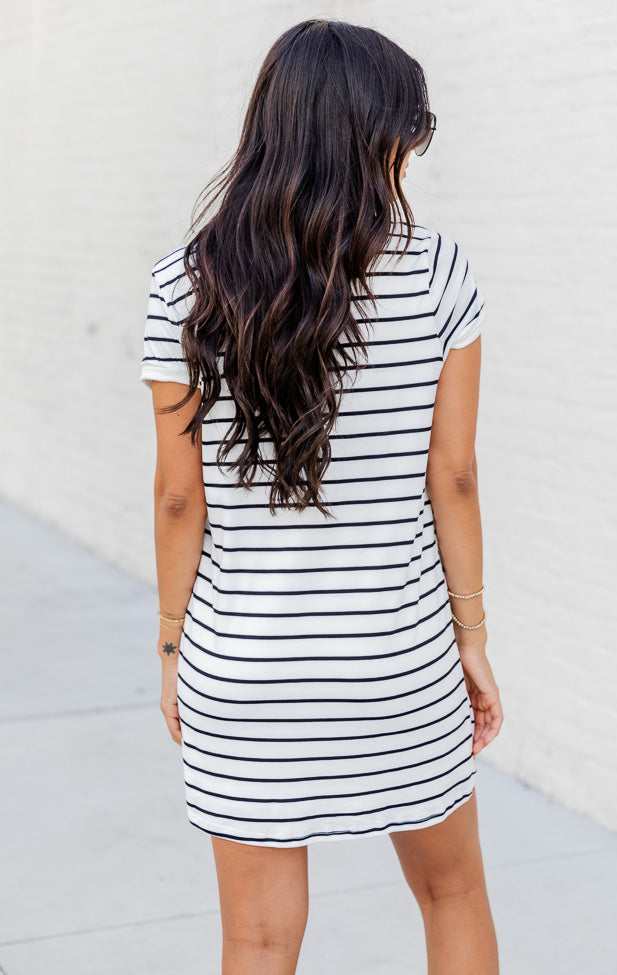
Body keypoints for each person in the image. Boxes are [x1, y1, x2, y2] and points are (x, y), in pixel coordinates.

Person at [140, 18, 503, 975]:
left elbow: (182, 501)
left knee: (259, 938)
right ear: (366, 136)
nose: (407, 161)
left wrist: (176, 643)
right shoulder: (439, 274)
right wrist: (470, 638)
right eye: (401, 137)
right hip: (399, 657)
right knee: (453, 892)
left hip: (247, 666)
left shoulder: (184, 286)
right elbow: (453, 477)